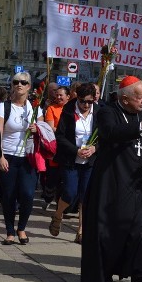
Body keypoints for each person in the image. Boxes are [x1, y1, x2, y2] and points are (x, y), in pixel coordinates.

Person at [80, 76, 142, 282]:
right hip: (112, 183)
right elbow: (109, 134)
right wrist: (140, 127)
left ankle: (141, 278)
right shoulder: (108, 112)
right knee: (108, 232)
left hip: (138, 185)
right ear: (125, 99)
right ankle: (103, 273)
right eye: (140, 97)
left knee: (139, 229)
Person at [49, 83, 99, 244]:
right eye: (83, 101)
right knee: (70, 193)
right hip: (72, 159)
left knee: (85, 195)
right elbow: (61, 137)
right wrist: (75, 150)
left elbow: (105, 136)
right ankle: (58, 214)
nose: (86, 105)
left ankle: (81, 231)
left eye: (89, 102)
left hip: (89, 161)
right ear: (77, 98)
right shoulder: (69, 111)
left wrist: (94, 148)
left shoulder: (98, 112)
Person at [0, 71, 41, 245]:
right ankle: (9, 231)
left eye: (23, 82)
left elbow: (46, 131)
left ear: (29, 86)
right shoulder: (4, 107)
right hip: (8, 155)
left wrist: (38, 129)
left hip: (28, 158)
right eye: (16, 82)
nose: (19, 85)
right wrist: (0, 156)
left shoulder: (35, 108)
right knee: (8, 195)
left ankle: (21, 228)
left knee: (28, 194)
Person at [41, 84, 69, 211]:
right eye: (57, 95)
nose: (58, 97)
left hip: (68, 147)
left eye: (61, 95)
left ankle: (62, 204)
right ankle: (48, 197)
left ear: (68, 97)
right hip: (55, 145)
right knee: (52, 175)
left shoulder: (72, 109)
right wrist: (67, 132)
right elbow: (50, 127)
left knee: (65, 178)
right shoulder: (52, 108)